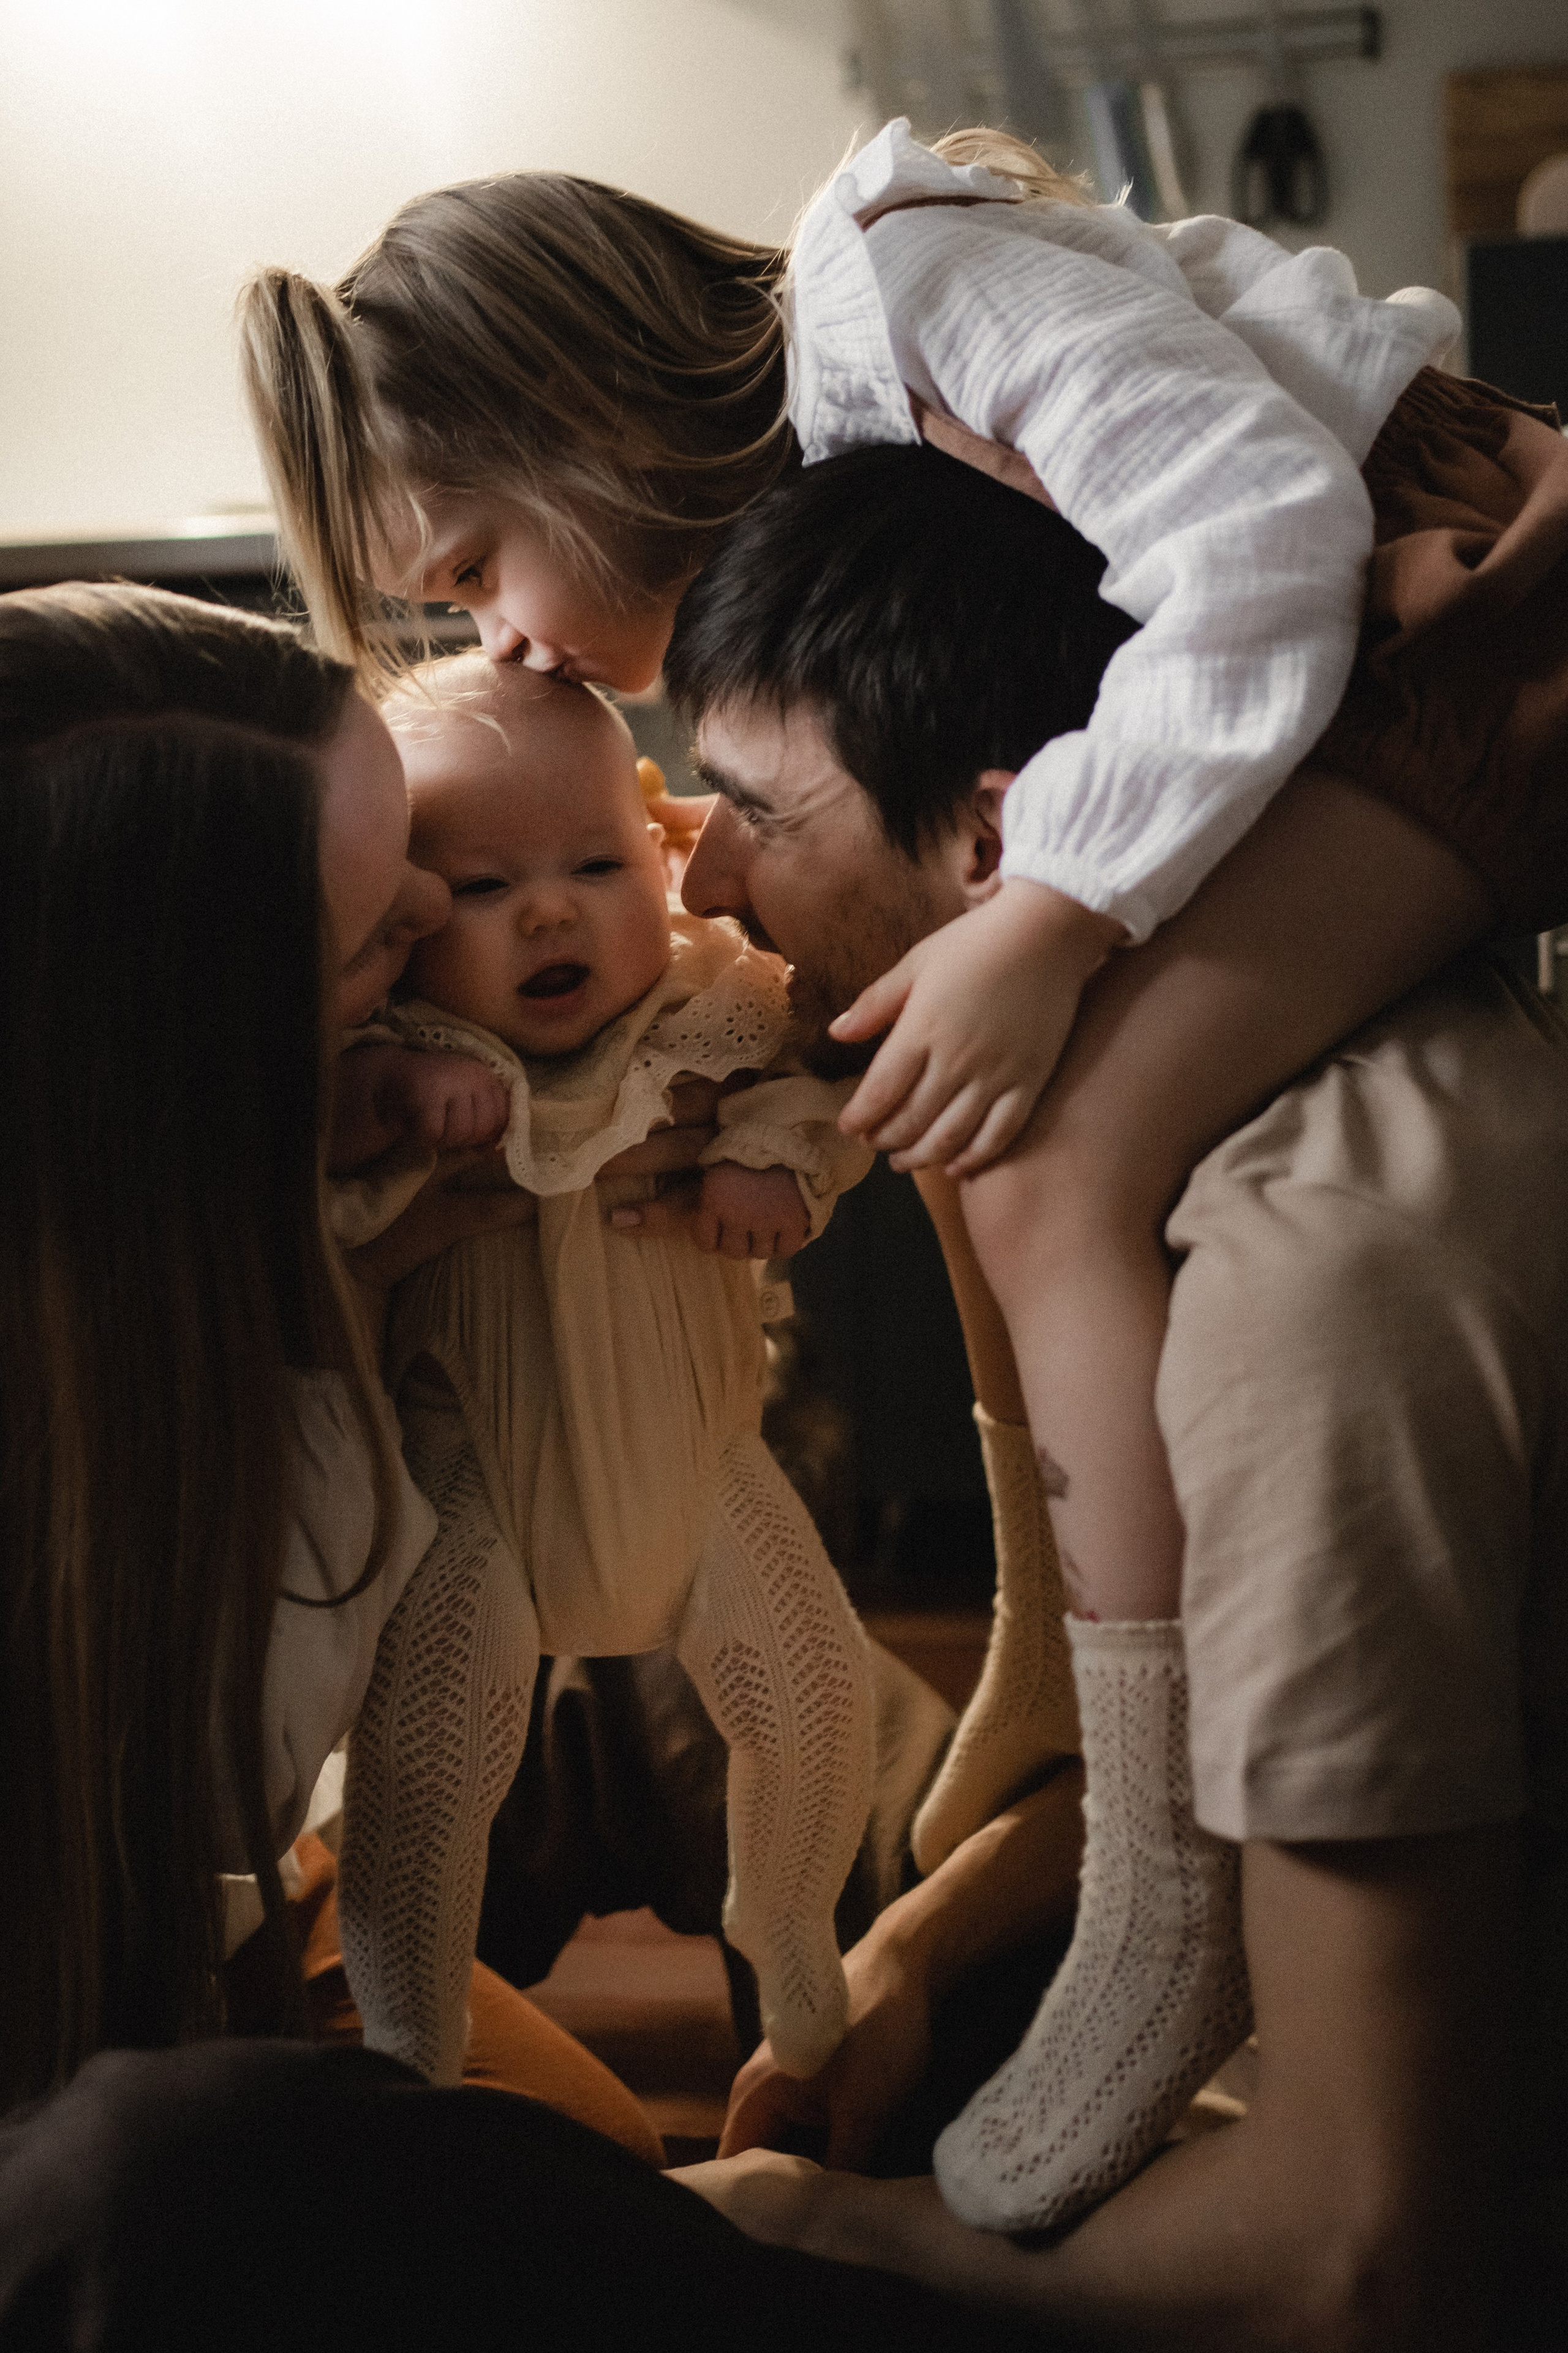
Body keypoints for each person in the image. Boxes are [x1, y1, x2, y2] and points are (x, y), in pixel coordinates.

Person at [237, 119, 1568, 2225]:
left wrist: (1052, 925)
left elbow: (1265, 531)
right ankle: (1081, 1747)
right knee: (962, 1105)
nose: (516, 647)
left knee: (1055, 1135)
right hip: (1409, 663)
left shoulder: (922, 288)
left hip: (1494, 645)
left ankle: (1162, 1877)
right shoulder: (882, 479)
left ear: (581, 429)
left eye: (482, 566)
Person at [0, 580, 1042, 2353]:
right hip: (114, 2052)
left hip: (257, 1901)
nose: (464, 907)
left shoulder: (309, 1258)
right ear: (199, 1077)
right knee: (198, 2168)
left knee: (788, 1758)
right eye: (386, 936)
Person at [639, 442, 1566, 2346]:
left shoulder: (1305, 1302)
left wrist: (827, 2236)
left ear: (995, 842)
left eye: (746, 803)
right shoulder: (1200, 1098)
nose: (696, 868)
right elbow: (1231, 1764)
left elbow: (1368, 2254)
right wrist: (929, 1942)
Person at [322, 650, 878, 2085]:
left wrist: (771, 1160)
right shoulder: (402, 1047)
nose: (553, 909)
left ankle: (788, 1912)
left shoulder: (706, 1016)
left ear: (660, 847)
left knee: (816, 1695)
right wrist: (387, 1102)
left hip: (701, 1462)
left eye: (591, 863)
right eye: (487, 891)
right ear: (400, 921)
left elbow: (828, 1091)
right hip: (478, 1489)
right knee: (431, 1756)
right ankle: (406, 2017)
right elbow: (305, 1169)